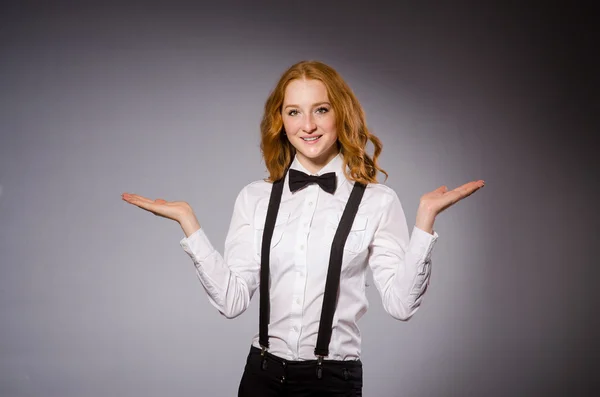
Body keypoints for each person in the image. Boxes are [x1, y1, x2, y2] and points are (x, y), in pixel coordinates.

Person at [122, 60, 484, 396]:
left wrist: (425, 221)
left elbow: (402, 305)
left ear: (341, 114)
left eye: (320, 110)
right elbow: (231, 302)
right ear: (280, 119)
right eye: (294, 112)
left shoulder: (378, 201)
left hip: (333, 383)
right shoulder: (255, 197)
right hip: (260, 376)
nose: (307, 125)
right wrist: (190, 223)